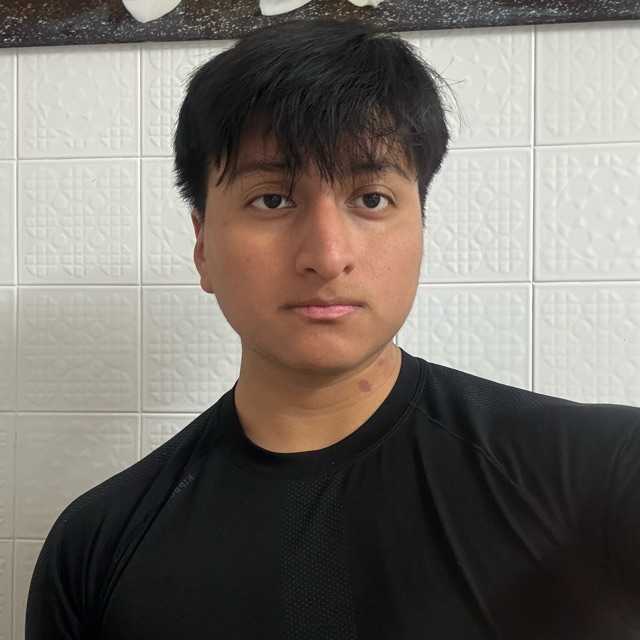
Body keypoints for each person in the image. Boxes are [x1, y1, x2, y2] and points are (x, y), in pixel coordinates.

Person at [26, 16, 640, 640]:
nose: (327, 255)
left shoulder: (605, 473)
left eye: (371, 199)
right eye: (272, 199)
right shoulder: (94, 548)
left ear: (421, 226)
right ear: (203, 245)